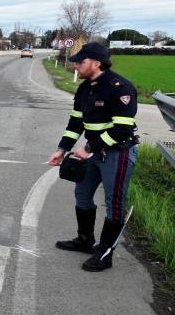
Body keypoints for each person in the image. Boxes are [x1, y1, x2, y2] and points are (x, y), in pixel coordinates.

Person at [47, 42, 138, 272]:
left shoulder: (120, 88)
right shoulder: (84, 88)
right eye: (76, 61)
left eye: (81, 61)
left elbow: (122, 129)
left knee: (114, 204)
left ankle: (105, 254)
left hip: (118, 152)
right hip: (94, 152)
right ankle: (85, 240)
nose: (76, 65)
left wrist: (88, 149)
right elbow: (76, 122)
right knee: (82, 194)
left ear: (97, 63)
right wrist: (62, 147)